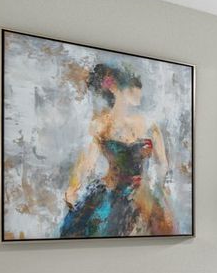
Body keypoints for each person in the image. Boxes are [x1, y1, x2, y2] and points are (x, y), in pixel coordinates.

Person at [60, 63, 175, 237]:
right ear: (114, 89)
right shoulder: (100, 125)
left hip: (142, 196)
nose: (139, 91)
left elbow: (163, 165)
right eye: (132, 86)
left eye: (138, 86)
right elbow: (87, 163)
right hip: (109, 193)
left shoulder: (150, 126)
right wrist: (73, 188)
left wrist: (159, 188)